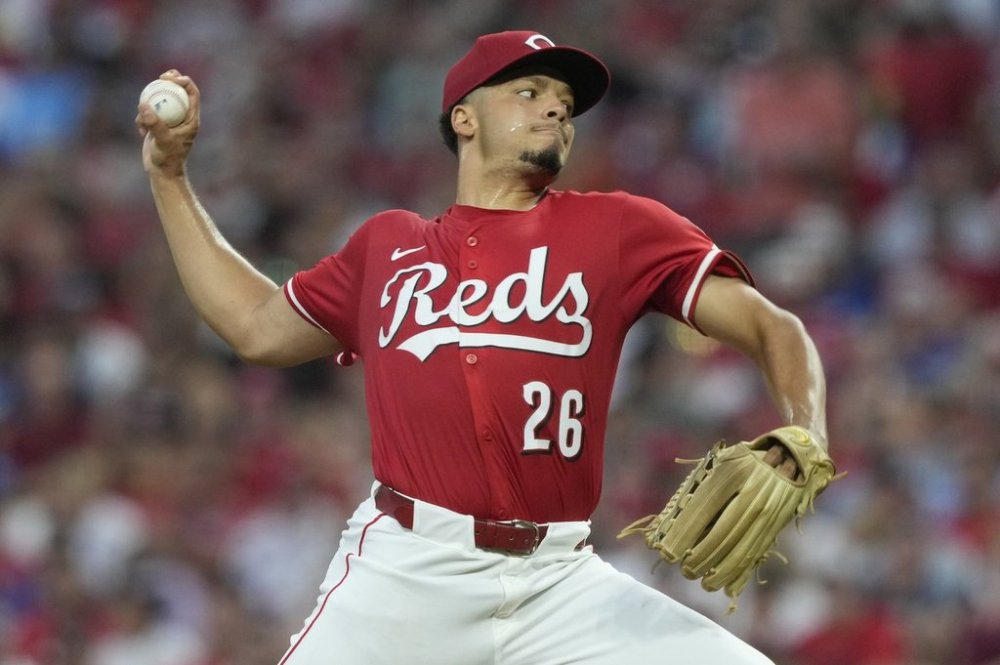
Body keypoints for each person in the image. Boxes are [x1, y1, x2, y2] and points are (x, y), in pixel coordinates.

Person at [136, 30, 827, 665]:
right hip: (406, 572)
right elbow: (255, 325)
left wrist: (805, 430)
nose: (556, 110)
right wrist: (170, 180)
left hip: (559, 581)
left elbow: (774, 327)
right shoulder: (389, 247)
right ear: (463, 117)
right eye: (529, 93)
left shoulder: (617, 228)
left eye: (563, 103)